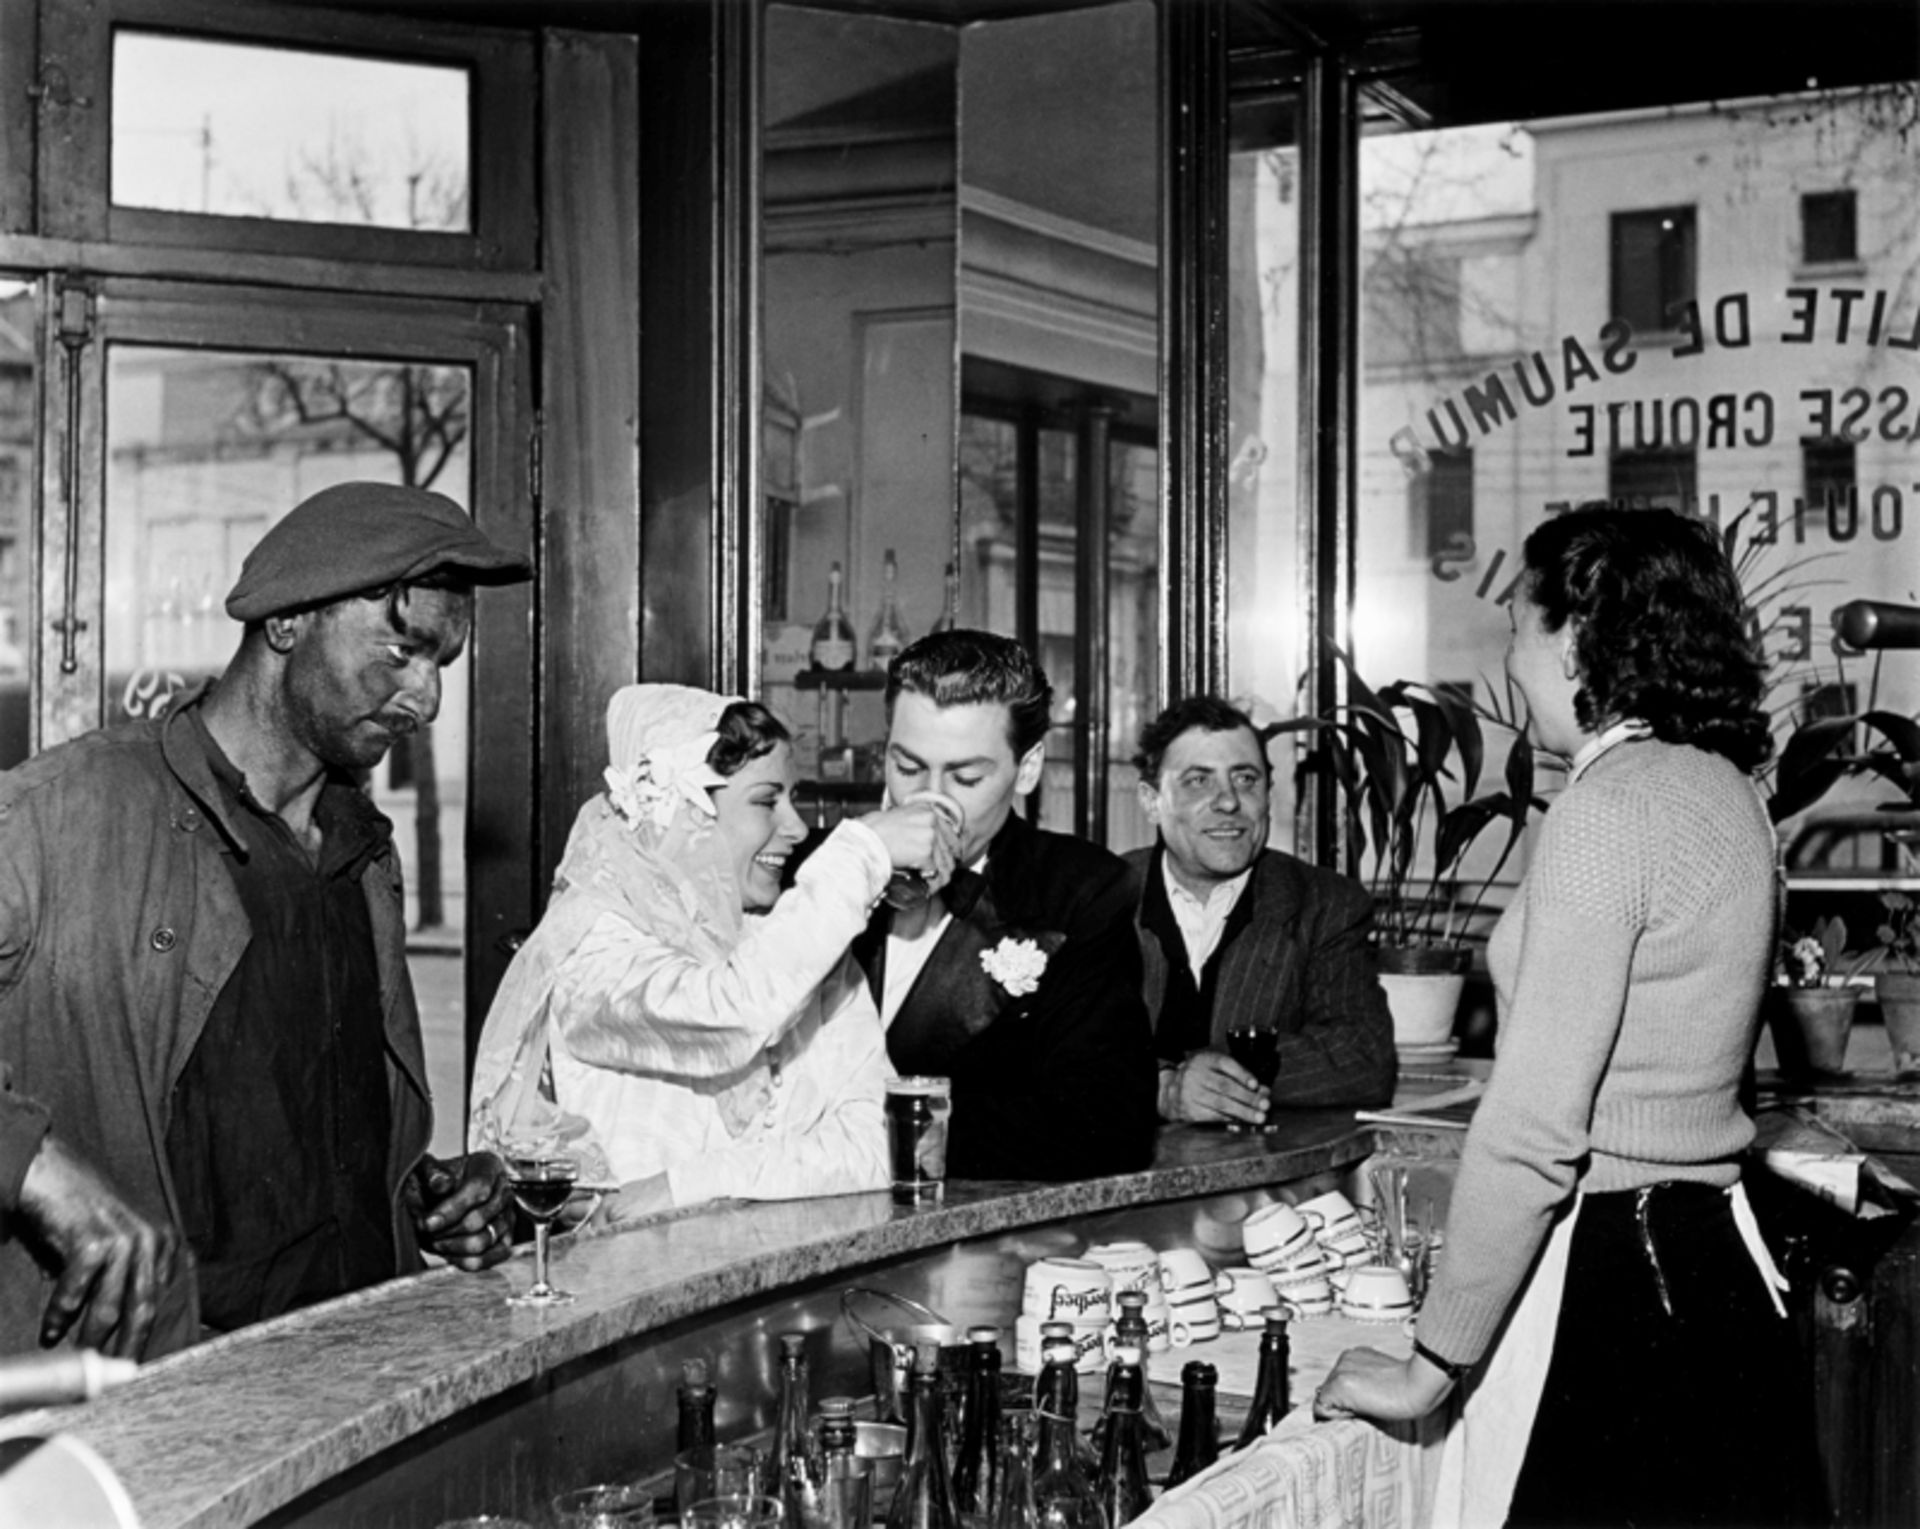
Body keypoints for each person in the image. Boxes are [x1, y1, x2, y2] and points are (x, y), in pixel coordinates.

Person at [1316, 505, 1819, 1527]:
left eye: (1515, 626)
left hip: (1615, 1274)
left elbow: (1536, 1128)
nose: (1510, 656)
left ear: (1579, 632)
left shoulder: (1608, 806)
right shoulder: (1729, 789)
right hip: (1713, 1259)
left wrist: (1429, 1364)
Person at [0, 481, 532, 1361]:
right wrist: (32, 1165)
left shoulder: (363, 857)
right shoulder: (65, 816)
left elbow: (278, 1143)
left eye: (442, 663)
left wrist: (421, 1194)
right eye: (402, 650)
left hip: (352, 1387)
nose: (428, 699)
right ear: (287, 620)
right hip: (154, 1414)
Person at [469, 684, 959, 1217]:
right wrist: (862, 852)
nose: (796, 828)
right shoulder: (591, 950)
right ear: (685, 812)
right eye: (767, 801)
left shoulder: (798, 948)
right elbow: (730, 1013)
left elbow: (879, 1145)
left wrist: (688, 1184)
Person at [855, 629, 1159, 1181]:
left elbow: (1111, 1127)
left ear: (1027, 769)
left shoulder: (1081, 893)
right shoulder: (824, 871)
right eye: (907, 768)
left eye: (966, 777)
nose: (930, 800)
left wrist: (902, 1129)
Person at [1124, 696, 1395, 1126]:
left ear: (1268, 793)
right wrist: (1162, 1087)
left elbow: (1362, 1058)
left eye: (1245, 779)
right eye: (1198, 781)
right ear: (1152, 800)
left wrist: (1208, 1074)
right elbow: (1049, 1051)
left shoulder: (1325, 905)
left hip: (1266, 1182)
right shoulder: (1097, 898)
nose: (1229, 802)